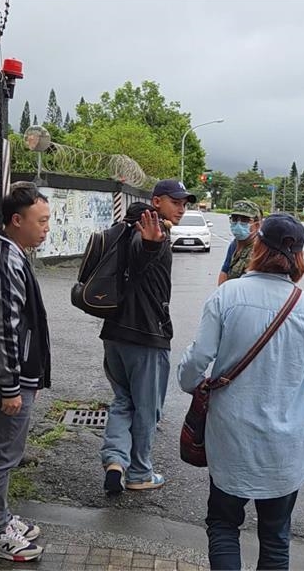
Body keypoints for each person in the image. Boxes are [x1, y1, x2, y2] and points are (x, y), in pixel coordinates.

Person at [179, 213, 304, 571]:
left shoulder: (228, 295)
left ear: (259, 245)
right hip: (287, 442)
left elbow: (197, 359)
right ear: (299, 256)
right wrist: (287, 385)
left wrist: (191, 386)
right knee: (276, 534)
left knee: (222, 524)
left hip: (231, 434)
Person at [0, 182, 52, 561]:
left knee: (5, 452)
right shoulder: (4, 265)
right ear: (16, 221)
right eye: (41, 221)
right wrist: (11, 387)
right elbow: (4, 331)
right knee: (2, 455)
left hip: (11, 379)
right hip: (6, 382)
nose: (46, 228)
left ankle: (0, 518)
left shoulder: (14, 257)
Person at [100, 179, 194, 494]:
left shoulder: (124, 228)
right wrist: (153, 243)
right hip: (145, 336)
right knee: (148, 407)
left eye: (185, 203)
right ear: (156, 202)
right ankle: (139, 472)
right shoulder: (149, 233)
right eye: (176, 201)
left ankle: (115, 461)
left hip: (114, 333)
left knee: (123, 400)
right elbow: (141, 256)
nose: (182, 208)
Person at [217, 200, 262, 285]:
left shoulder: (260, 249)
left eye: (244, 220)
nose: (238, 224)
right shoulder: (234, 245)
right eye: (234, 219)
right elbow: (225, 271)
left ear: (257, 225)